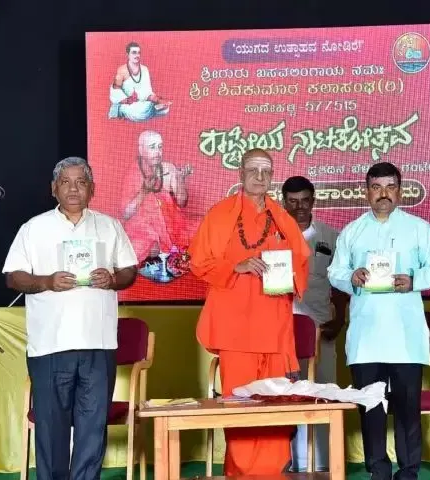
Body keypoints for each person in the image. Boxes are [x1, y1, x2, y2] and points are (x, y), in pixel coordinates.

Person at [2, 157, 138, 480]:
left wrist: (113, 279)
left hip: (98, 344)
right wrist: (46, 281)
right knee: (51, 429)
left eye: (81, 182)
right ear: (54, 188)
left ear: (92, 189)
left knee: (93, 429)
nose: (73, 189)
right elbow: (12, 277)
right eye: (65, 182)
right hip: (50, 345)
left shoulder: (110, 226)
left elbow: (130, 270)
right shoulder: (33, 228)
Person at [189, 148, 311, 475]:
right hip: (236, 331)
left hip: (274, 329)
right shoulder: (220, 214)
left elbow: (301, 262)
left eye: (266, 171)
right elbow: (199, 262)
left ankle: (271, 473)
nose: (260, 176)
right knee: (241, 407)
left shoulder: (281, 218)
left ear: (272, 177)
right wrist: (236, 266)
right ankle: (243, 473)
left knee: (275, 408)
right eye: (253, 170)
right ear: (240, 173)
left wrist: (289, 277)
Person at [328, 162, 430, 480]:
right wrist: (351, 277)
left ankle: (408, 471)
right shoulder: (353, 231)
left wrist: (414, 280)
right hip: (366, 337)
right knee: (372, 407)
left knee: (408, 408)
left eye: (390, 187)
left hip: (405, 336)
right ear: (366, 191)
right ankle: (378, 470)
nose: (383, 194)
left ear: (400, 190)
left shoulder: (418, 228)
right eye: (376, 187)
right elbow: (335, 271)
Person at [281, 175, 348, 472]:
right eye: (292, 202)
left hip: (321, 328)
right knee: (284, 398)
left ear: (313, 201)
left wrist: (340, 319)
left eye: (305, 201)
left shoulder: (331, 237)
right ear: (284, 202)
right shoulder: (273, 235)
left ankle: (322, 464)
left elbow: (341, 285)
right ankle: (287, 464)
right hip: (282, 333)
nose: (299, 207)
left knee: (323, 395)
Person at [121, 130, 193, 263]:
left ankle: (166, 247)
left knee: (199, 234)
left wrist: (180, 180)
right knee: (141, 248)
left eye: (160, 147)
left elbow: (182, 202)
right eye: (152, 147)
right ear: (141, 150)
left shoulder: (169, 168)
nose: (158, 152)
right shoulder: (133, 174)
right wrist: (144, 192)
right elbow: (126, 214)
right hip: (144, 229)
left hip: (171, 225)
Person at [109, 41, 171, 122]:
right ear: (128, 54)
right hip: (128, 104)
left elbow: (147, 92)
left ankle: (149, 110)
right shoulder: (122, 70)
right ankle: (123, 111)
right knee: (141, 111)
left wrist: (158, 101)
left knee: (165, 109)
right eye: (134, 52)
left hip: (143, 103)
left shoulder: (144, 69)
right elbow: (115, 90)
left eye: (139, 53)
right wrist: (127, 100)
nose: (137, 55)